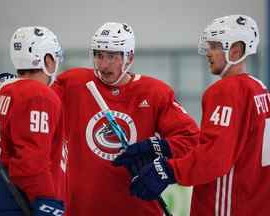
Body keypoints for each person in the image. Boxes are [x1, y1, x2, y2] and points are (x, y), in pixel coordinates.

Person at [115, 15, 270, 216]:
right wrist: (162, 147)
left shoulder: (226, 91)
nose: (208, 52)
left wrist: (168, 170)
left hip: (228, 207)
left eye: (215, 46)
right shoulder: (260, 89)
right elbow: (232, 144)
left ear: (236, 51)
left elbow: (215, 157)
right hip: (256, 204)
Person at [52, 22, 199, 216]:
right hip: (81, 210)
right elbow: (36, 103)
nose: (103, 65)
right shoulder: (74, 84)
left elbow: (191, 140)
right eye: (99, 55)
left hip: (138, 209)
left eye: (112, 56)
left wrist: (154, 150)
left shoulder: (155, 93)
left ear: (129, 56)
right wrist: (13, 86)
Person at [0, 26, 65, 216]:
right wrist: (46, 200)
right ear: (47, 60)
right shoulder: (39, 95)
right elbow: (31, 160)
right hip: (20, 201)